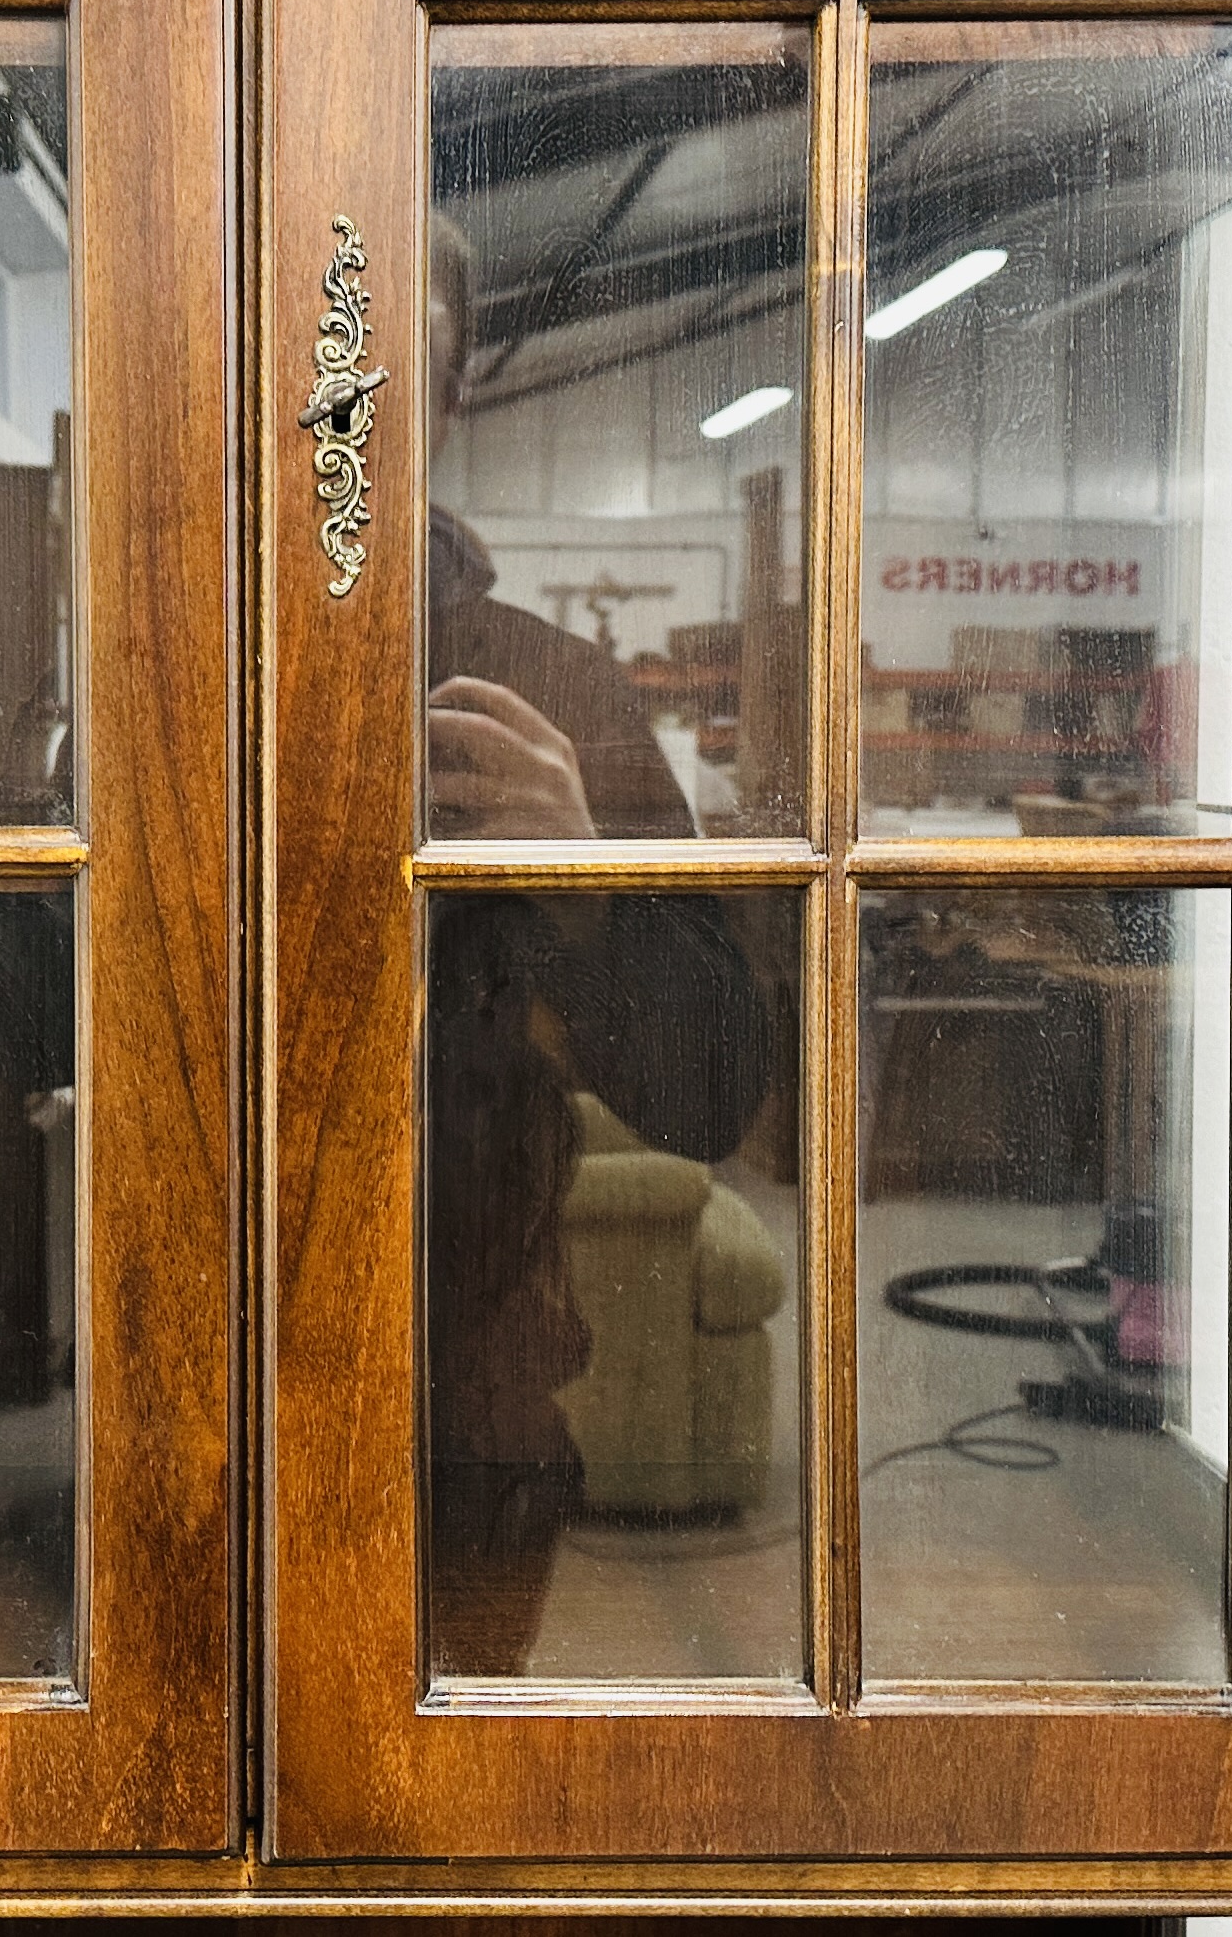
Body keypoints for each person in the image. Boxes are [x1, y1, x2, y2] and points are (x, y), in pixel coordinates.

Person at [416, 217, 782, 1676]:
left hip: (476, 1398)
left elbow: (716, 1090)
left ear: (443, 400)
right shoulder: (158, 664)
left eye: (392, 371)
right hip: (188, 1400)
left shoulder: (549, 684)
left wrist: (583, 877)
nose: (344, 410)